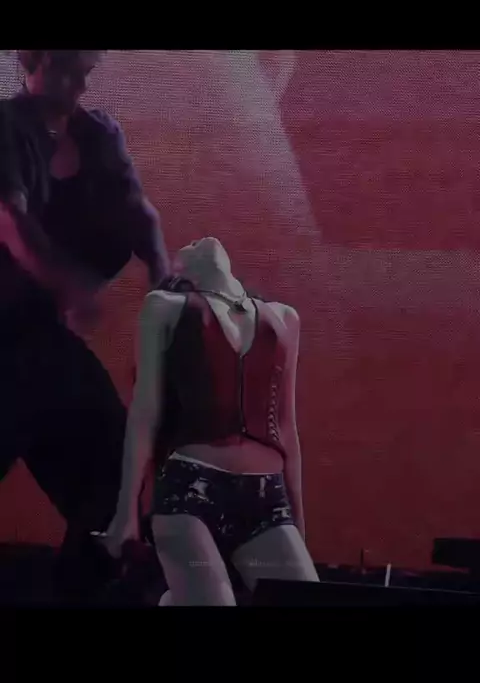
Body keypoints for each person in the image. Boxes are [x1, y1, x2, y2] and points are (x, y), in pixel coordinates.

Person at [0, 50, 170, 597]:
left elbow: (140, 214)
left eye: (86, 73)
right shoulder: (6, 128)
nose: (79, 85)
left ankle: (78, 594)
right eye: (68, 70)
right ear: (35, 61)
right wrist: (71, 287)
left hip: (43, 346)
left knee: (113, 478)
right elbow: (11, 222)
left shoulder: (99, 135)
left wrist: (163, 285)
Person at [103, 237, 319, 605]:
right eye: (185, 246)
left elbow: (286, 427)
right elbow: (145, 412)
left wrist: (297, 521)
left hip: (266, 500)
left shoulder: (285, 318)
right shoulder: (165, 307)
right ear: (180, 272)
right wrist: (126, 511)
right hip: (189, 493)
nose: (197, 240)